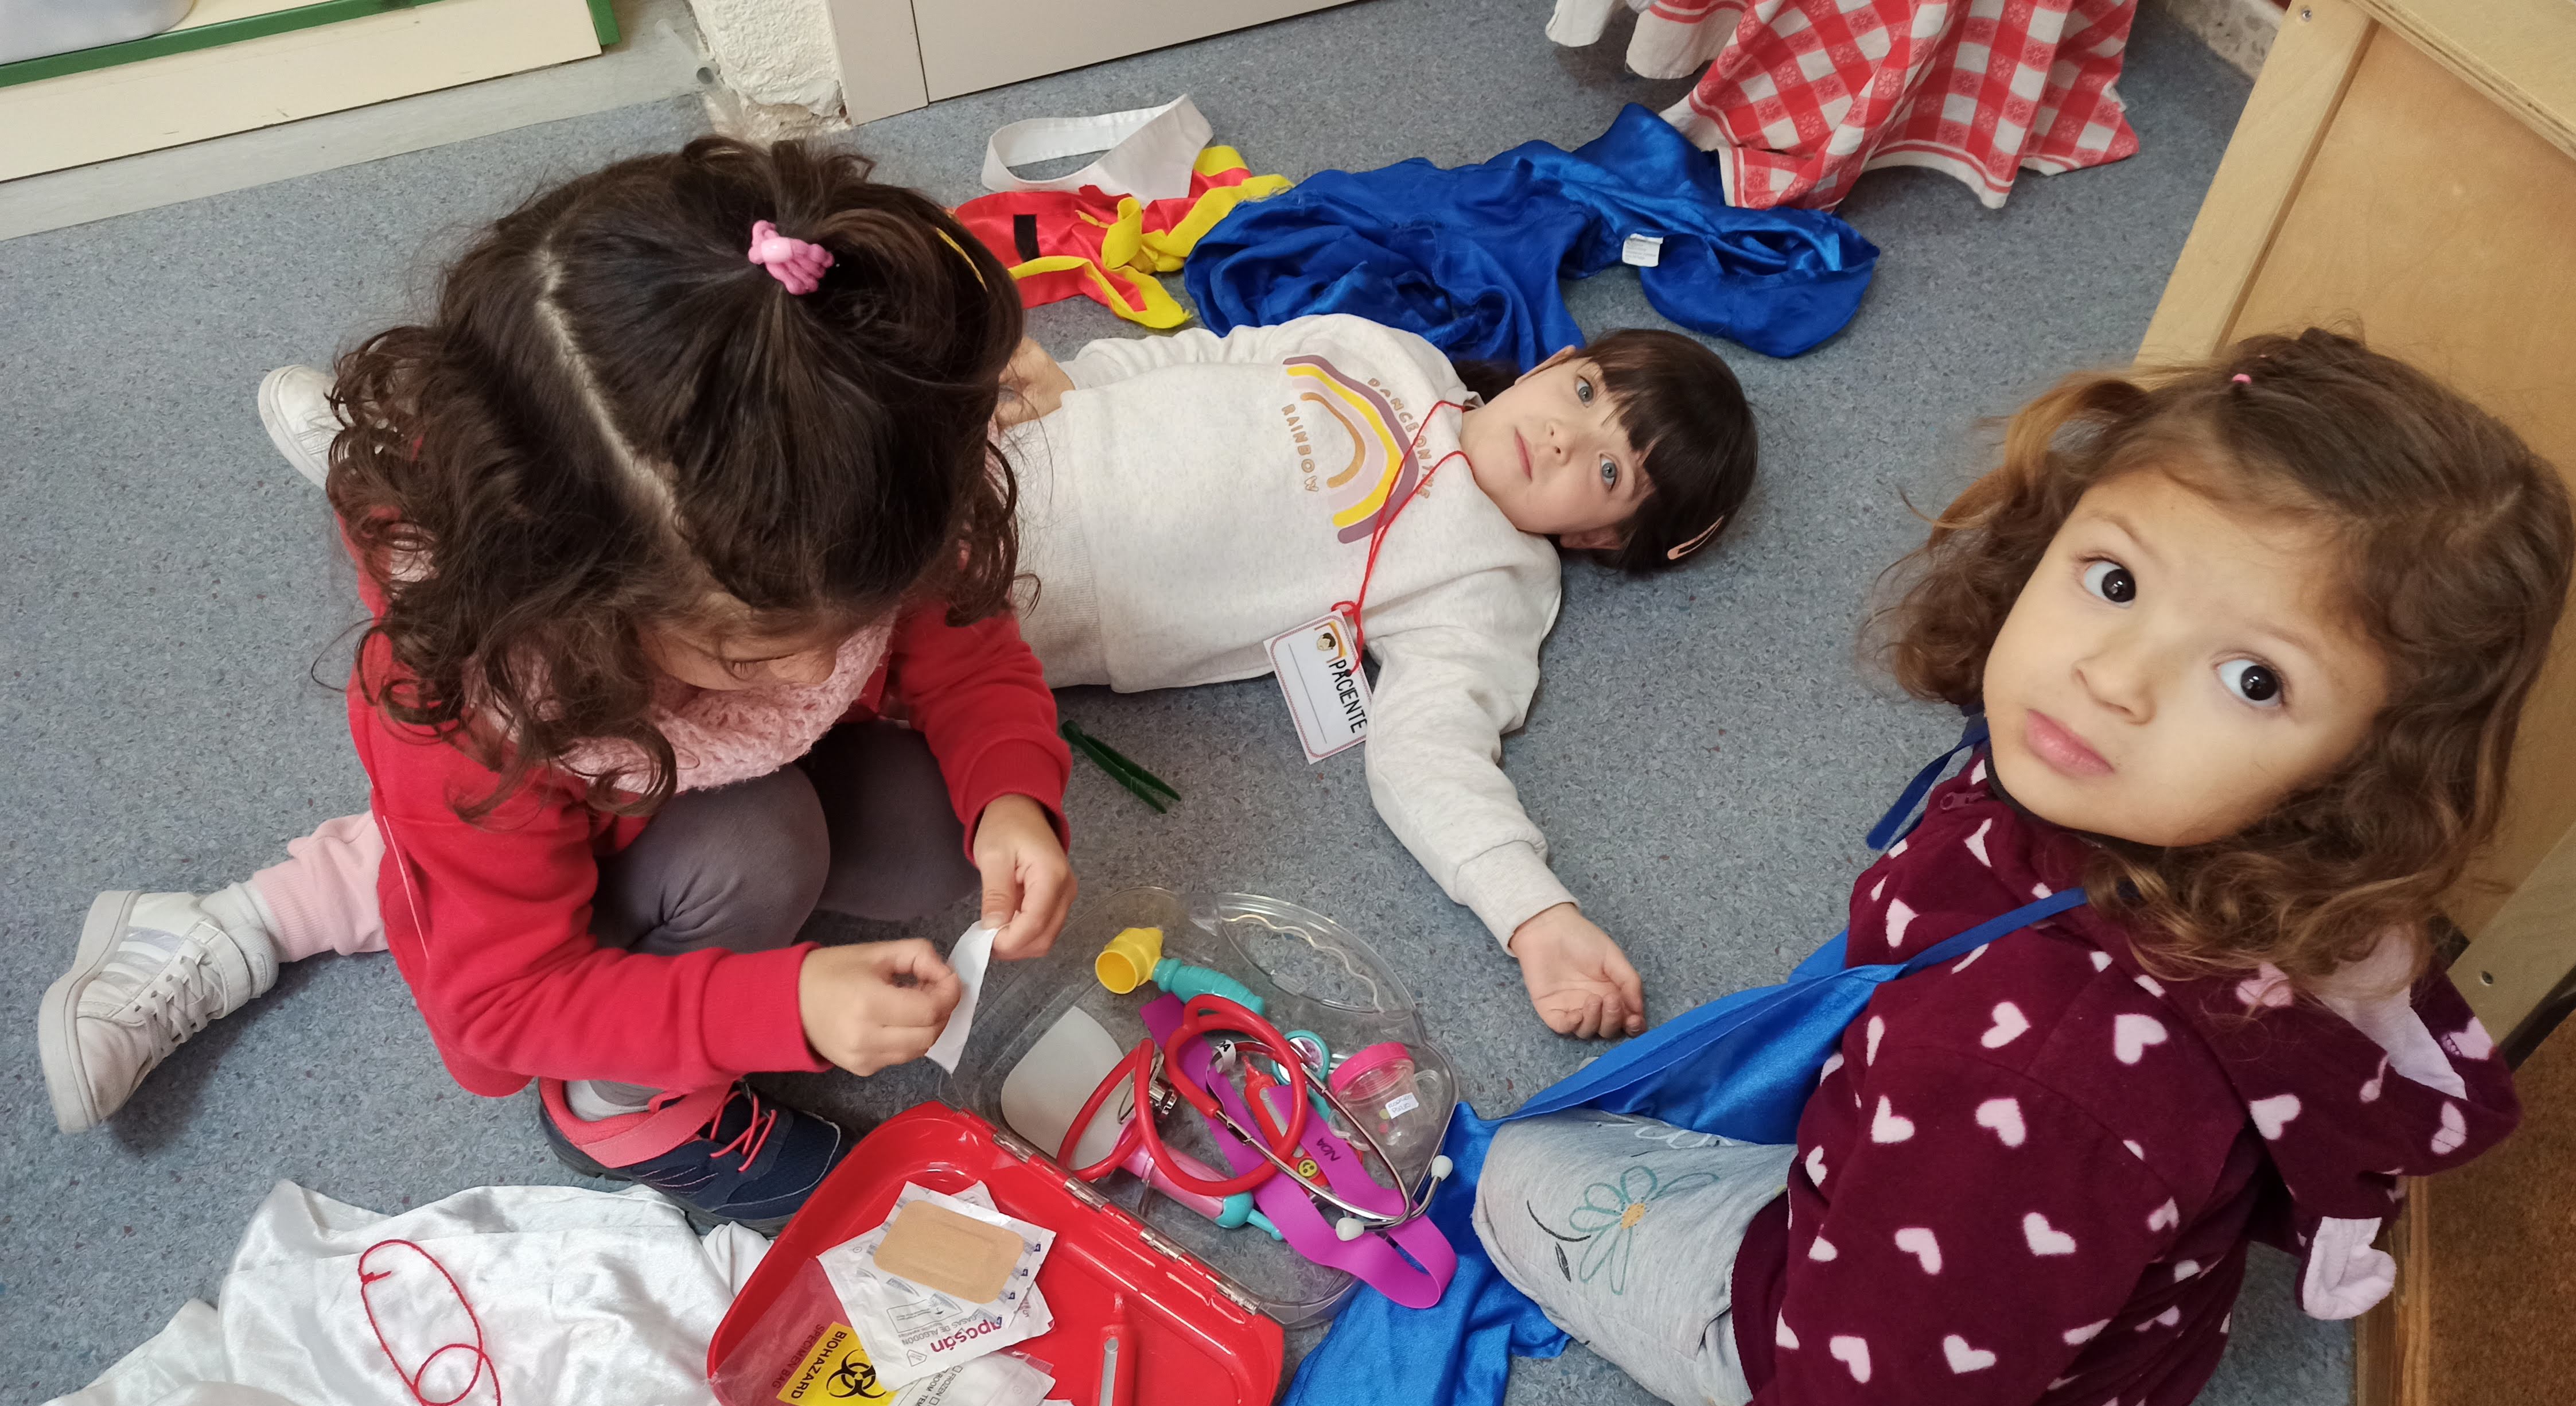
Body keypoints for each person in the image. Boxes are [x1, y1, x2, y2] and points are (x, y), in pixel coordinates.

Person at [1469, 329, 2574, 1406]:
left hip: (1929, 1393)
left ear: (2355, 771)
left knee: (1515, 1175)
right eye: (2116, 581)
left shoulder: (2034, 1079)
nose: (2113, 678)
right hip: (2080, 1340)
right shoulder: (2242, 868)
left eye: (2254, 679)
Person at [37, 138, 1077, 1234]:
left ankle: (559, 859)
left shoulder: (842, 482)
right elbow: (502, 1006)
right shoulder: (477, 704)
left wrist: (1011, 792)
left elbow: (965, 643)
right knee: (753, 841)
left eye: (856, 619)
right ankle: (618, 1110)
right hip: (583, 819)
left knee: (934, 836)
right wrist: (778, 1007)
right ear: (582, 588)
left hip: (624, 767)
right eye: (755, 653)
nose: (824, 670)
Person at [997, 314, 1757, 1038]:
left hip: (1034, 587)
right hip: (1023, 426)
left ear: (1600, 536)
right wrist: (1078, 375)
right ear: (1552, 364)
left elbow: (1428, 751)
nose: (1564, 437)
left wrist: (1533, 913)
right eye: (1585, 392)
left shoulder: (1491, 581)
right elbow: (1217, 354)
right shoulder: (1398, 353)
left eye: (1608, 469)